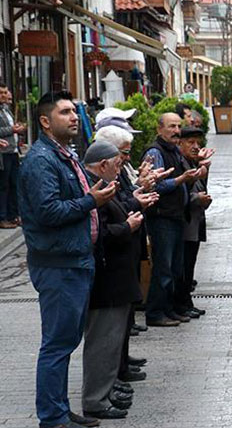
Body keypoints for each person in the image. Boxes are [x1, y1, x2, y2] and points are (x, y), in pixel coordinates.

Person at [19, 90, 117, 428]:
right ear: (46, 121)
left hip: (75, 260)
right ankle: (52, 417)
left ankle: (59, 410)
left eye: (74, 111)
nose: (74, 117)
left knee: (65, 342)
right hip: (58, 264)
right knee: (57, 344)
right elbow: (48, 212)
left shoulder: (64, 154)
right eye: (65, 112)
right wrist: (92, 201)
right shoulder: (40, 160)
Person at [80, 141, 147, 420]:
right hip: (106, 278)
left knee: (112, 340)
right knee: (102, 342)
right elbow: (100, 233)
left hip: (117, 275)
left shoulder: (106, 185)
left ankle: (105, 391)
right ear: (103, 164)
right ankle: (95, 398)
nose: (120, 171)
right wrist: (127, 226)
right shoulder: (94, 189)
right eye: (117, 165)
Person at [143, 113, 203, 327]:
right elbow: (154, 185)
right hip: (162, 218)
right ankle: (155, 312)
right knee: (163, 267)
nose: (176, 130)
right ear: (159, 129)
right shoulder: (155, 152)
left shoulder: (173, 151)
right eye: (171, 126)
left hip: (176, 216)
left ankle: (169, 309)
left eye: (178, 126)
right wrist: (180, 180)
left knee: (175, 268)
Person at [174, 127, 213, 317]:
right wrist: (198, 199)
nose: (196, 147)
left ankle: (186, 302)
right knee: (183, 265)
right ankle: (181, 303)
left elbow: (199, 186)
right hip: (185, 223)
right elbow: (178, 194)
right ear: (179, 143)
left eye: (198, 143)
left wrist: (204, 170)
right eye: (190, 142)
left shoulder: (192, 162)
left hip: (194, 223)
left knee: (189, 263)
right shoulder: (179, 163)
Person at [0, 83, 25, 229]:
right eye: (1, 93)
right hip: (3, 153)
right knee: (4, 186)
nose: (5, 95)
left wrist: (19, 128)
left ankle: (13, 215)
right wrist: (12, 129)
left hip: (13, 150)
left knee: (14, 184)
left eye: (5, 92)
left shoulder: (6, 110)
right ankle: (3, 217)